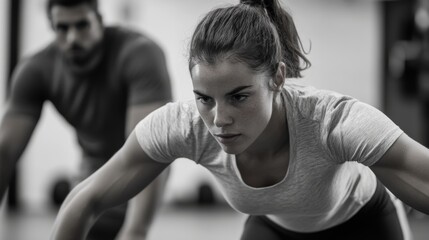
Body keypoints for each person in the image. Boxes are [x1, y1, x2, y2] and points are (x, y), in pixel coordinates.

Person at [50, 0, 429, 239]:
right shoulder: (183, 126)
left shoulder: (333, 122)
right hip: (274, 228)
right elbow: (84, 201)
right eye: (204, 99)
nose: (219, 120)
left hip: (363, 222)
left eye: (239, 97)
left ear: (278, 78)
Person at [0, 0, 172, 239]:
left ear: (99, 21)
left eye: (82, 25)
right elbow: (5, 151)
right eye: (62, 28)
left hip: (142, 175)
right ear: (52, 27)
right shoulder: (36, 70)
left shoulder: (139, 53)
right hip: (92, 172)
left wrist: (136, 230)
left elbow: (151, 149)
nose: (72, 38)